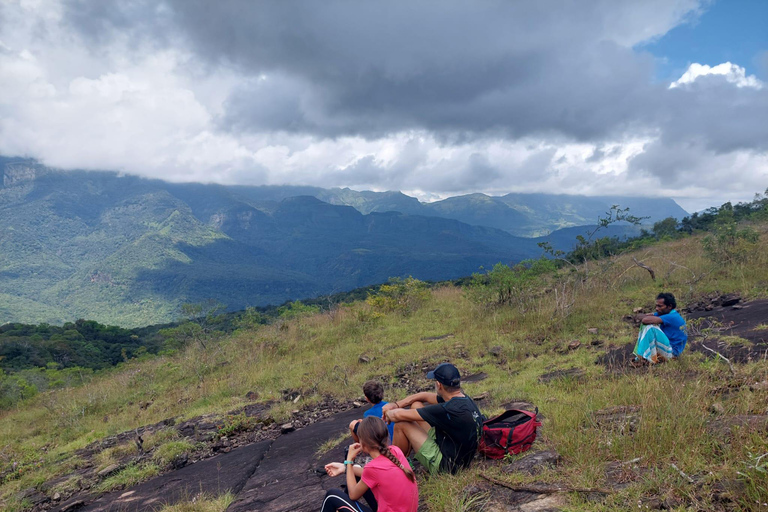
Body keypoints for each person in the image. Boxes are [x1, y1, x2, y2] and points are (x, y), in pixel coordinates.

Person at [382, 363, 483, 474]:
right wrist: (396, 405)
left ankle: (394, 467)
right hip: (458, 453)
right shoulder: (463, 399)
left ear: (439, 385)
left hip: (447, 467)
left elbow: (397, 416)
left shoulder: (447, 409)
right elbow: (424, 395)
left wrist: (388, 411)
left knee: (402, 424)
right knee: (416, 405)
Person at [322, 416, 419, 512]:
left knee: (332, 496)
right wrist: (345, 468)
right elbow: (376, 474)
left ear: (362, 443)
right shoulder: (395, 451)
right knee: (355, 472)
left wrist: (349, 461)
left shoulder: (372, 468)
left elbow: (353, 495)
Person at [632, 292, 687, 365]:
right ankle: (643, 356)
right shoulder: (665, 313)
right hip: (668, 349)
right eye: (656, 306)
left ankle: (644, 358)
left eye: (660, 306)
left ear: (669, 306)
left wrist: (648, 317)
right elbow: (642, 316)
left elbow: (645, 320)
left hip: (673, 353)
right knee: (649, 325)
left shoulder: (673, 317)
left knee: (650, 327)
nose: (657, 309)